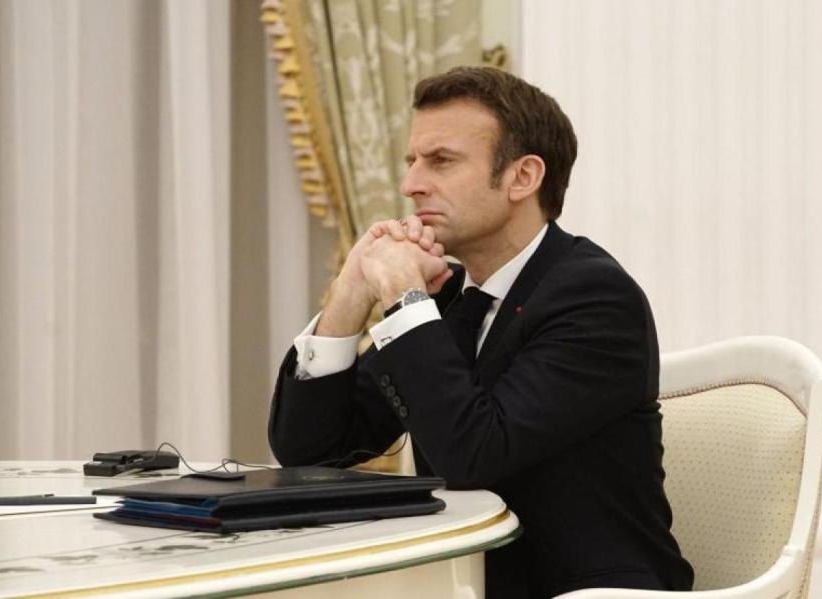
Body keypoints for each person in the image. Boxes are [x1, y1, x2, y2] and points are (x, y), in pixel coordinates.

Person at [268, 66, 694, 598]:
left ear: (522, 177)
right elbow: (310, 450)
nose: (411, 185)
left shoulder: (595, 298)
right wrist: (351, 294)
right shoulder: (448, 298)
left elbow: (472, 455)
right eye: (412, 162)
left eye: (441, 161)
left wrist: (403, 297)